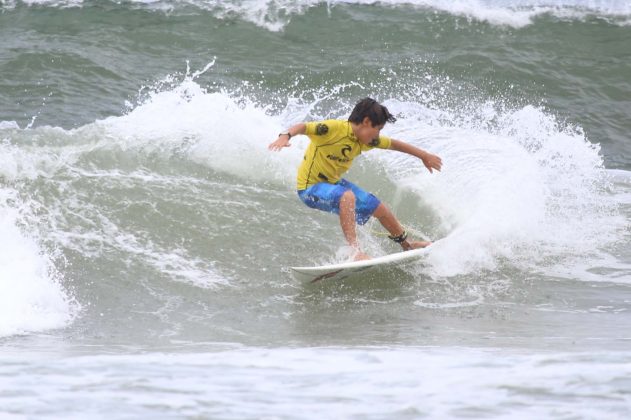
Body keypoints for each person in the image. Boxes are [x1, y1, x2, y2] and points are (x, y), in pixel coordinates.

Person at [268, 97, 442, 261]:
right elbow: (303, 127)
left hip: (333, 184)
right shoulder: (333, 128)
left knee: (380, 209)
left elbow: (394, 144)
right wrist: (285, 136)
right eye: (378, 129)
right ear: (366, 122)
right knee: (347, 196)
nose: (378, 135)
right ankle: (354, 250)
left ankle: (408, 245)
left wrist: (424, 155)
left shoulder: (365, 141)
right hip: (310, 188)